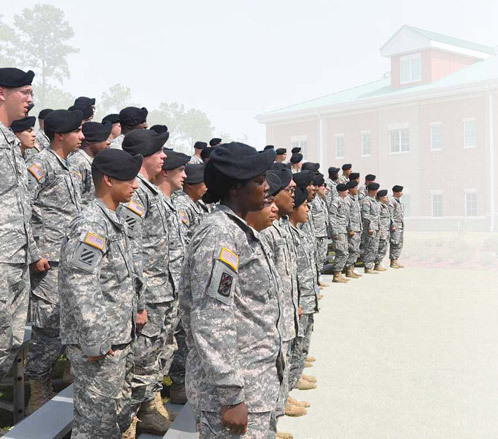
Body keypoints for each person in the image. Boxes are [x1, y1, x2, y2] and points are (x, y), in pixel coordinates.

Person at [179, 142, 283, 439]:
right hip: (237, 391)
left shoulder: (237, 230)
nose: (266, 189)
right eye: (259, 181)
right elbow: (211, 318)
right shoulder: (220, 235)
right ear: (235, 188)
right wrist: (232, 395)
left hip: (254, 384)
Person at [59, 148, 145, 439]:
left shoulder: (110, 218)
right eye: (129, 179)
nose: (135, 185)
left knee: (105, 420)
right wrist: (95, 337)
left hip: (114, 338)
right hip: (98, 344)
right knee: (94, 425)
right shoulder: (92, 224)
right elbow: (80, 282)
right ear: (108, 180)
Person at [25, 109, 84, 413]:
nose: (82, 136)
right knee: (47, 327)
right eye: (77, 132)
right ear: (61, 134)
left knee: (65, 322)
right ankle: (39, 388)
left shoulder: (70, 167)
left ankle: (58, 376)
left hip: (68, 260)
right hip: (47, 261)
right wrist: (34, 253)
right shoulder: (40, 164)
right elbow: (22, 207)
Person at [119, 129, 174, 436]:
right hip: (148, 294)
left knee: (152, 358)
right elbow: (131, 249)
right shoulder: (136, 193)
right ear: (143, 158)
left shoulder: (150, 192)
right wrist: (138, 302)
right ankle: (128, 425)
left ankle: (146, 411)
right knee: (139, 362)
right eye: (159, 152)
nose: (164, 157)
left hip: (162, 290)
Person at [0, 67, 38, 385]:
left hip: (15, 260)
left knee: (9, 343)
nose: (30, 99)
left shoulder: (11, 143)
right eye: (24, 92)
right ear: (2, 93)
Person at [155, 150, 190, 404]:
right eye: (181, 171)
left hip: (172, 288)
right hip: (156, 293)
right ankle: (147, 406)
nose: (185, 176)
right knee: (151, 354)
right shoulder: (153, 202)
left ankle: (153, 402)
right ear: (166, 172)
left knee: (168, 347)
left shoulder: (168, 203)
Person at [287, 187, 319, 394]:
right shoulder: (286, 235)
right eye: (304, 206)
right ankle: (287, 391)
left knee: (302, 344)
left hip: (307, 298)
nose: (307, 210)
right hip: (299, 301)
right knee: (293, 347)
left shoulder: (298, 231)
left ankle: (295, 377)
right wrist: (295, 302)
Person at [69, 121, 112, 206]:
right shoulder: (78, 163)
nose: (108, 142)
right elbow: (74, 199)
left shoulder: (94, 162)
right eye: (103, 139)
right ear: (89, 141)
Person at [174, 163, 207, 245]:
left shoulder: (199, 204)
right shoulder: (182, 206)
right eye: (204, 183)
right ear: (190, 184)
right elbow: (182, 239)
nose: (207, 187)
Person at [329, 183, 350, 283]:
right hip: (339, 230)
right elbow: (332, 216)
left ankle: (339, 272)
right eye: (346, 190)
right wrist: (334, 231)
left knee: (345, 251)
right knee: (341, 251)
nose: (347, 192)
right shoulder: (336, 201)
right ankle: (336, 274)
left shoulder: (344, 201)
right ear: (341, 191)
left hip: (343, 229)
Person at [361, 182, 381, 274]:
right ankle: (368, 266)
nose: (377, 191)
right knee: (369, 247)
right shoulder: (367, 201)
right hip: (370, 228)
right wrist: (369, 227)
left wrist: (379, 227)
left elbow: (377, 216)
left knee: (374, 247)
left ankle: (372, 265)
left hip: (376, 227)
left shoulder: (374, 201)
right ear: (372, 191)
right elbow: (365, 215)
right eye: (375, 190)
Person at [344, 180, 363, 279]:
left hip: (357, 228)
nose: (357, 190)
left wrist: (360, 227)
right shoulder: (347, 200)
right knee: (352, 249)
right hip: (352, 229)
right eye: (355, 188)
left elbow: (358, 215)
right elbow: (347, 216)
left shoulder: (354, 199)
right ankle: (348, 269)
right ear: (351, 189)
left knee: (356, 250)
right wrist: (350, 229)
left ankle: (352, 268)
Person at [389, 185, 405, 269]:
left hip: (400, 226)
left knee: (399, 243)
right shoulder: (392, 201)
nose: (401, 193)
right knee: (394, 243)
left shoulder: (398, 201)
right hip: (395, 226)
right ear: (396, 192)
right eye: (400, 191)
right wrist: (393, 224)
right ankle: (393, 261)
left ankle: (396, 260)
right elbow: (390, 214)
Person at [375, 189, 391, 271]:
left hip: (386, 229)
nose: (387, 198)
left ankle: (379, 263)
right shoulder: (379, 206)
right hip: (382, 230)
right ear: (381, 197)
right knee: (381, 247)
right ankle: (377, 264)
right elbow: (377, 218)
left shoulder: (385, 205)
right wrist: (379, 229)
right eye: (385, 196)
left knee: (384, 247)